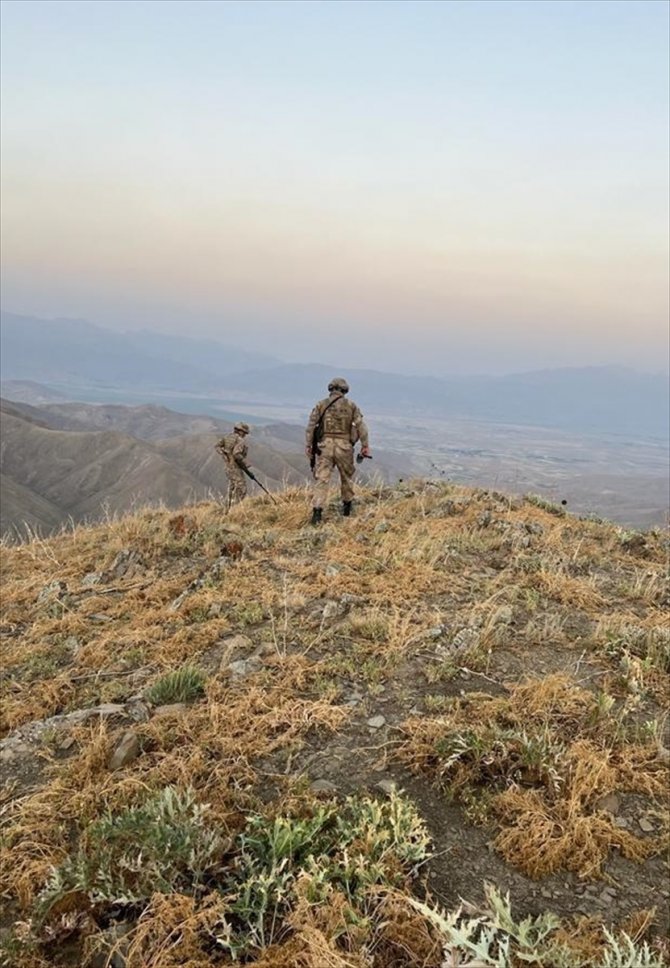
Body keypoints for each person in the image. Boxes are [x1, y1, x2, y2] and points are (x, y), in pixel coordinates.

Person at [305, 377, 370, 525]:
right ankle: (346, 510)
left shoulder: (321, 404)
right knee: (346, 478)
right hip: (344, 447)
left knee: (322, 479)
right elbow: (361, 427)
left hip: (324, 447)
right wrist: (365, 445)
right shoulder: (351, 406)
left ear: (331, 389)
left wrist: (309, 445)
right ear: (344, 390)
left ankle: (317, 513)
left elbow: (310, 427)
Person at [215, 422, 252, 506]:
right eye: (244, 433)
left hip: (228, 467)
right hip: (235, 467)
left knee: (232, 488)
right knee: (242, 489)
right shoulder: (240, 440)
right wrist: (245, 463)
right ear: (241, 431)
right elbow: (236, 454)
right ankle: (234, 509)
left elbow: (217, 446)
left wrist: (225, 455)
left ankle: (226, 508)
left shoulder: (227, 437)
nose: (245, 435)